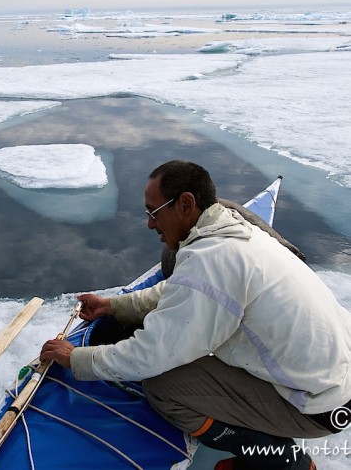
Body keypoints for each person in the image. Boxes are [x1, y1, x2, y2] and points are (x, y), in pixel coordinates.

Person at [41, 160, 351, 470]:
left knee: (166, 385)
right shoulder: (236, 233)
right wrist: (116, 306)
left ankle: (278, 458)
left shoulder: (212, 259)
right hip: (336, 382)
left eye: (153, 212)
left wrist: (77, 359)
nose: (150, 224)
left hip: (315, 404)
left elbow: (153, 354)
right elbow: (184, 289)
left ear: (186, 204)